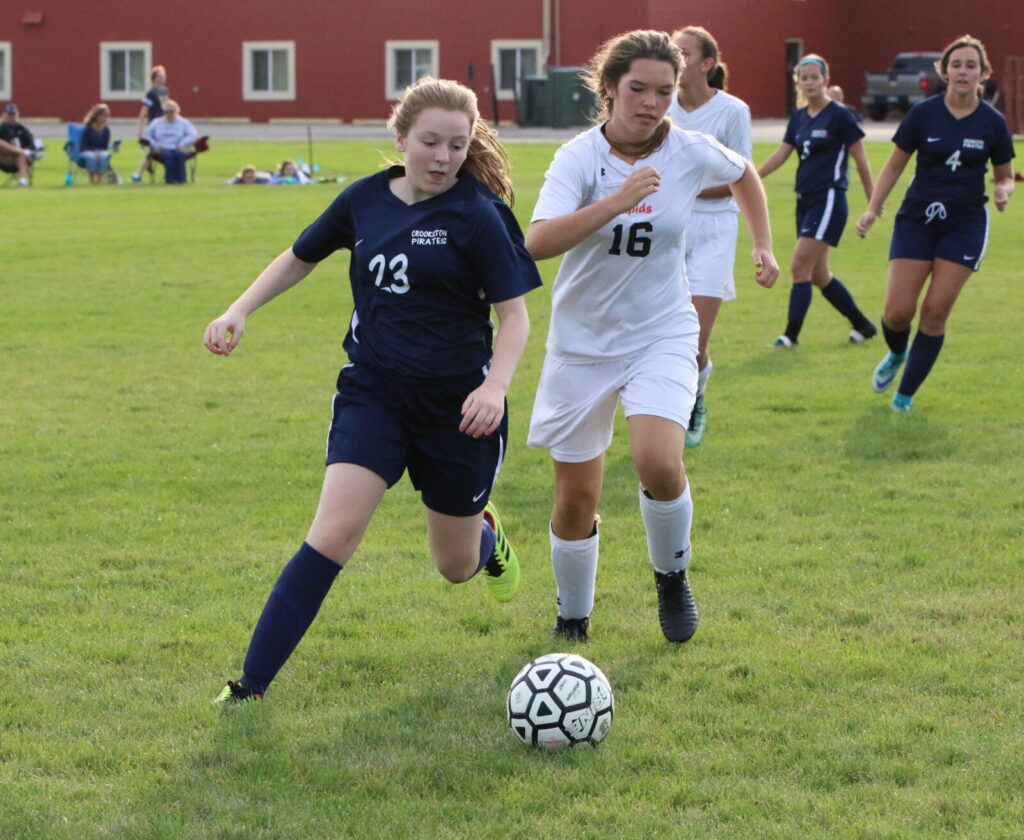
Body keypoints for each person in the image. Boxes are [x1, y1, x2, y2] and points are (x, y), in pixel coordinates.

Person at [205, 76, 542, 704]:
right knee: (332, 534)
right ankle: (249, 687)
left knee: (454, 567)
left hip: (460, 410)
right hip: (375, 394)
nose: (443, 158)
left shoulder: (479, 215)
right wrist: (239, 309)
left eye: (457, 146)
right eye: (430, 143)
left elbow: (514, 317)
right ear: (400, 137)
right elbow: (301, 256)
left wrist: (494, 388)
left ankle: (487, 541)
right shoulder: (364, 201)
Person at [525, 30, 778, 645]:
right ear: (609, 88)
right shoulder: (579, 158)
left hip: (662, 330)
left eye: (664, 91)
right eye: (637, 88)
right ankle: (573, 621)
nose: (650, 102)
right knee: (575, 498)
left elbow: (745, 174)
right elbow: (536, 243)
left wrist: (763, 242)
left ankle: (672, 577)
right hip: (582, 343)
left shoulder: (690, 150)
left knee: (658, 461)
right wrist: (616, 201)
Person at [856, 35, 1015, 412]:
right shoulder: (923, 113)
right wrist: (872, 208)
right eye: (956, 64)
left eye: (971, 65)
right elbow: (895, 164)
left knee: (936, 310)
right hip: (917, 218)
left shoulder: (993, 123)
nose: (963, 71)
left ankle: (904, 397)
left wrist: (1004, 190)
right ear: (944, 72)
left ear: (983, 74)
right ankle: (897, 354)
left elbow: (1005, 174)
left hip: (965, 224)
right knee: (898, 312)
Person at [666, 25, 752, 448]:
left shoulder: (733, 111)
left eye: (683, 53)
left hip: (715, 226)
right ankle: (668, 414)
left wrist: (683, 186)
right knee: (668, 331)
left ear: (706, 64)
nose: (675, 58)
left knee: (696, 339)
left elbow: (741, 176)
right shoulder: (661, 106)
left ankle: (696, 396)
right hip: (669, 226)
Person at [758, 54, 876, 348]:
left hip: (829, 199)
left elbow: (860, 160)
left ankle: (790, 335)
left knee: (800, 266)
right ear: (797, 82)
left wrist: (873, 203)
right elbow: (782, 153)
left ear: (825, 80)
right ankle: (863, 326)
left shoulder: (840, 115)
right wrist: (751, 177)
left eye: (814, 77)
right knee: (819, 274)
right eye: (804, 77)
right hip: (805, 200)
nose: (809, 82)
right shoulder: (798, 118)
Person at [141, 100, 197, 184]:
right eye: (166, 112)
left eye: (171, 111)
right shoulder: (156, 122)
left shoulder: (184, 123)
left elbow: (192, 135)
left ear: (177, 111)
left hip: (178, 147)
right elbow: (147, 135)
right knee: (169, 155)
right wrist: (155, 145)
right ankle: (170, 180)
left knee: (178, 155)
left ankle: (182, 179)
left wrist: (183, 144)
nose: (169, 114)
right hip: (161, 148)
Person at [132, 65, 169, 182]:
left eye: (163, 76)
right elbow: (144, 111)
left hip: (166, 124)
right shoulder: (151, 93)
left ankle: (150, 168)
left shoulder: (165, 91)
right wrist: (140, 128)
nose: (162, 79)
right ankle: (139, 173)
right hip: (155, 124)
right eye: (160, 76)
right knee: (153, 150)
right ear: (154, 78)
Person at [0, 103, 41, 187]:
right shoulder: (1, 129)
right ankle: (22, 151)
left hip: (18, 160)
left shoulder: (22, 129)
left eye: (13, 114)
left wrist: (35, 151)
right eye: (9, 114)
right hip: (3, 158)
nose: (12, 117)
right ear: (4, 115)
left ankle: (22, 182)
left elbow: (32, 144)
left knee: (21, 155)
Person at [79, 103, 115, 185]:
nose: (106, 118)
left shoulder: (106, 130)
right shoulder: (88, 129)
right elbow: (83, 146)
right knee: (91, 157)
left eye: (107, 115)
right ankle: (92, 180)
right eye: (104, 115)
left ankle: (98, 181)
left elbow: (105, 146)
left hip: (100, 151)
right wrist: (94, 151)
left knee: (104, 156)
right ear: (97, 116)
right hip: (87, 151)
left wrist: (99, 151)